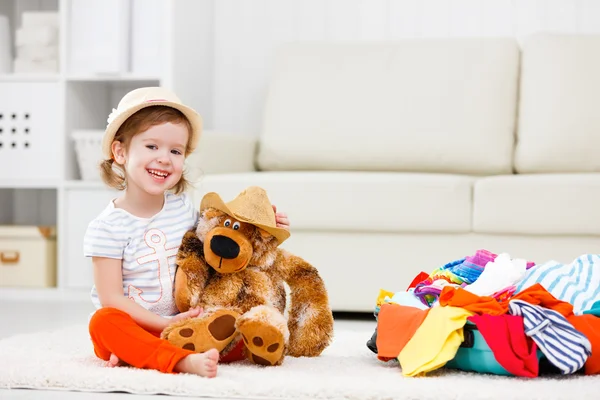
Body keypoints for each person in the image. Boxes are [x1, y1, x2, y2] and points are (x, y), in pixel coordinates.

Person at [83, 87, 290, 378]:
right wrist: (162, 323)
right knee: (104, 323)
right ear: (120, 152)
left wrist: (263, 225)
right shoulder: (106, 227)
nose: (165, 158)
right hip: (138, 325)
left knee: (234, 318)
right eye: (152, 146)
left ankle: (148, 353)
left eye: (175, 150)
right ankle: (178, 360)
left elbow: (221, 236)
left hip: (190, 323)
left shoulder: (181, 209)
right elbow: (111, 298)